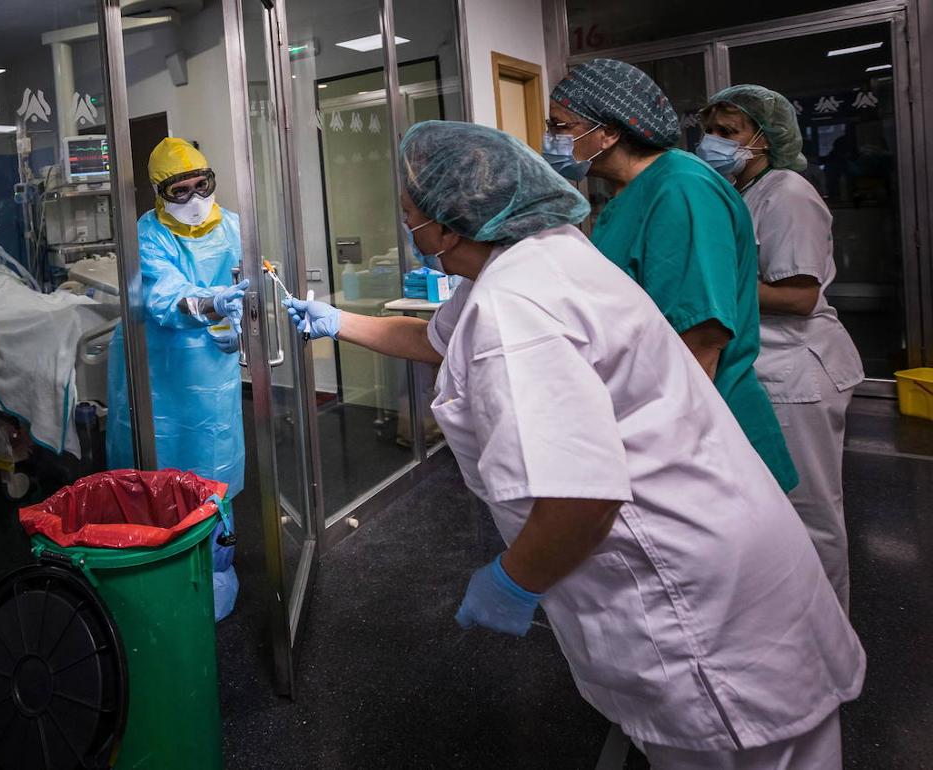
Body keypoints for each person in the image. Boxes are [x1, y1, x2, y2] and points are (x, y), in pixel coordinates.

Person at [287, 120, 863, 768]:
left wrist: (513, 579)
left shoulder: (514, 310)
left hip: (692, 594)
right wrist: (335, 321)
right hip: (726, 538)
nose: (406, 227)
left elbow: (582, 499)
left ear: (448, 228)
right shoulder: (540, 252)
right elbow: (433, 338)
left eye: (409, 215)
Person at [542, 58, 799, 493]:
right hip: (656, 417)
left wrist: (657, 453)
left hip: (700, 437)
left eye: (561, 126)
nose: (551, 139)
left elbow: (700, 339)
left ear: (608, 132)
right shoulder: (631, 193)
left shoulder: (681, 188)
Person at [699, 85, 865, 611]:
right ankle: (789, 625)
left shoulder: (788, 193)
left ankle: (830, 635)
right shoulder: (742, 191)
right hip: (764, 367)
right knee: (771, 509)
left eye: (729, 132)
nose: (713, 142)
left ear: (765, 138)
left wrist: (709, 286)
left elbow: (799, 296)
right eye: (710, 131)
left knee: (809, 513)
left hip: (797, 372)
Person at [105, 138, 247, 618]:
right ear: (159, 193)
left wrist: (237, 321)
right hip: (159, 369)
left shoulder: (233, 226)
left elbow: (246, 283)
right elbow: (164, 295)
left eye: (200, 185)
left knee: (214, 462)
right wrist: (210, 305)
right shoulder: (147, 235)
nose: (193, 198)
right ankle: (155, 567)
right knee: (158, 464)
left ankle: (217, 568)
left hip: (213, 369)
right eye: (179, 191)